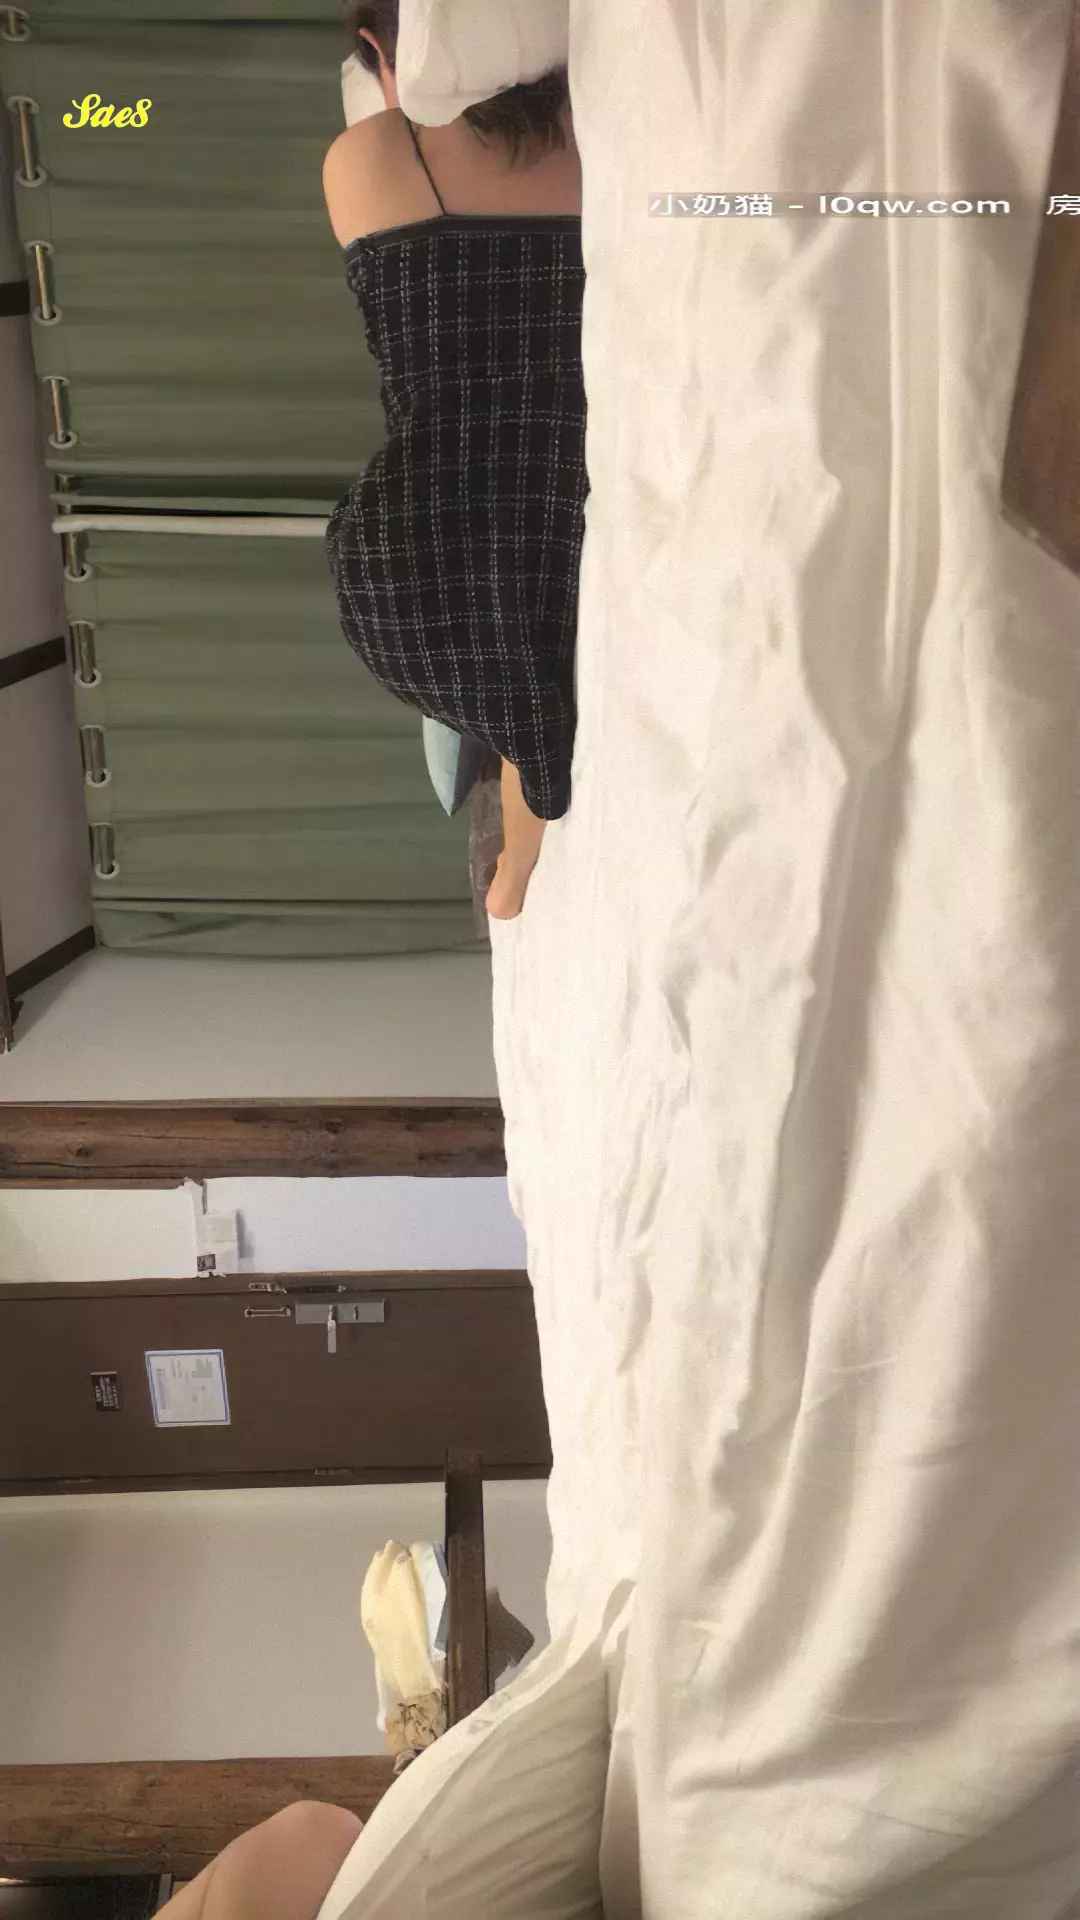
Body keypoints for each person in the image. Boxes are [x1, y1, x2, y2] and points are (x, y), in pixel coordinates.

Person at [322, 1, 588, 919]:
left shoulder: (373, 153)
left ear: (380, 50)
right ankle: (516, 794)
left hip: (436, 529)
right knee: (534, 627)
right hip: (541, 487)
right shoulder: (609, 119)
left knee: (516, 659)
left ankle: (518, 793)